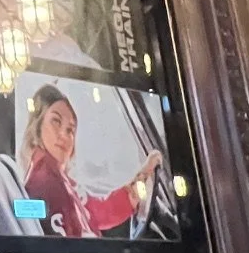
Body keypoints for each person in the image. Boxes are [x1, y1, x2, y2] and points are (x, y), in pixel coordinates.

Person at [19, 83, 162, 240]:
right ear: (38, 125)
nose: (64, 135)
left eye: (70, 130)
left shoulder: (64, 182)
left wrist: (142, 178)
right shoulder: (43, 183)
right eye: (56, 121)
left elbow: (100, 211)